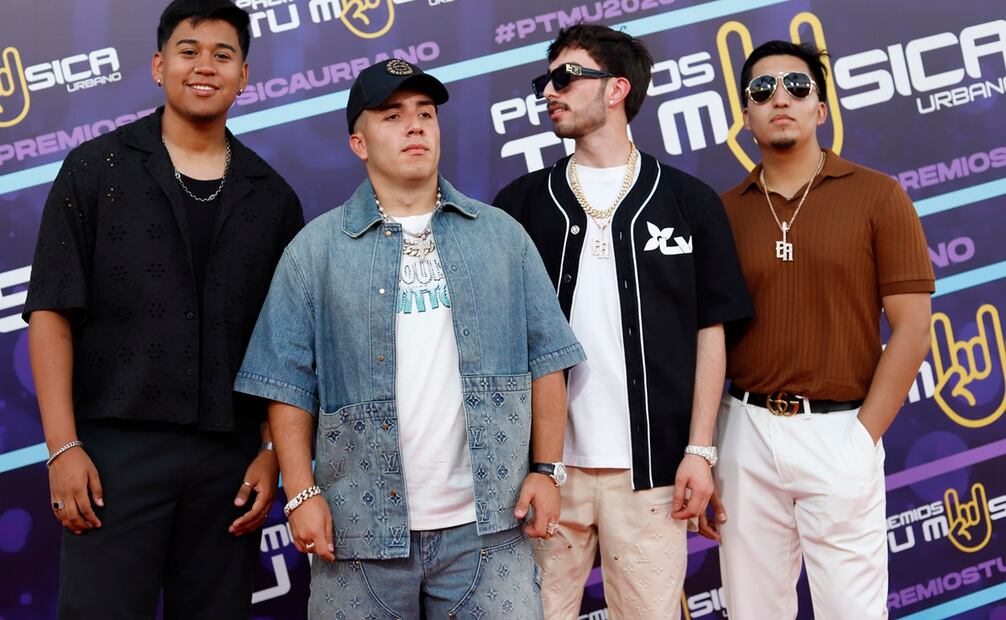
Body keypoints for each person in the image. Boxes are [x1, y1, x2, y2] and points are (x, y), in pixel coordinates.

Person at [234, 59, 585, 618]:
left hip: (491, 530)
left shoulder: (502, 237)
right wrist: (301, 493)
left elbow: (546, 361)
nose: (416, 126)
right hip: (357, 537)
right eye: (392, 116)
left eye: (426, 113)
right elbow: (288, 386)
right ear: (358, 143)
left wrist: (546, 470)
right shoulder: (314, 252)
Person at [23, 1, 304, 617]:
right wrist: (63, 447)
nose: (205, 66)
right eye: (188, 51)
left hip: (229, 465)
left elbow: (283, 346)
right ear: (158, 65)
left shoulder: (273, 198)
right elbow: (50, 314)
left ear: (244, 76)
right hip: (111, 457)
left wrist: (268, 451)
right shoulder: (95, 170)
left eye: (223, 54)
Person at [493, 25, 753, 619]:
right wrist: (530, 460)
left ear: (616, 89)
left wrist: (700, 451)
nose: (549, 92)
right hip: (544, 475)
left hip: (653, 476)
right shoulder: (521, 203)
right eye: (545, 80)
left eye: (566, 77)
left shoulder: (689, 200)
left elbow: (710, 332)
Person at [700, 40, 933, 619]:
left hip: (841, 430)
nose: (780, 98)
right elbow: (707, 337)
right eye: (762, 91)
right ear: (745, 117)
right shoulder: (722, 212)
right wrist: (705, 451)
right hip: (745, 434)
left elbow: (911, 329)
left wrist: (863, 436)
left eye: (798, 87)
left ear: (821, 110)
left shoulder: (879, 195)